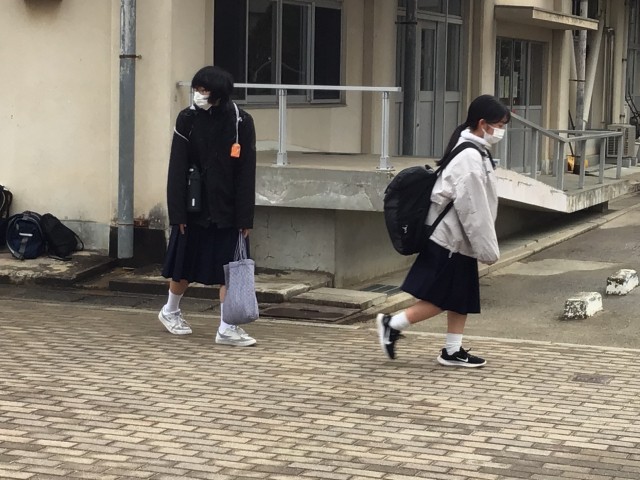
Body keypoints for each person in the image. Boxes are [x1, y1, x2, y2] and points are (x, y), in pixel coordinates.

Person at [377, 94, 510, 367]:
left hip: (456, 240)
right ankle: (392, 324)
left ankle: (452, 350)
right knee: (442, 297)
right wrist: (488, 249)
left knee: (461, 297)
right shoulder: (470, 157)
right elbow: (473, 210)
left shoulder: (472, 149)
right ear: (482, 123)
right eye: (499, 125)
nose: (501, 131)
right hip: (451, 241)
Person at [158, 65, 258, 347]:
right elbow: (177, 167)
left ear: (219, 94)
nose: (199, 94)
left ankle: (227, 327)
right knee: (184, 265)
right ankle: (170, 311)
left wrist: (245, 218)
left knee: (232, 269)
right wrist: (177, 213)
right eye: (197, 89)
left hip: (228, 210)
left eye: (205, 90)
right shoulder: (187, 119)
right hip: (193, 208)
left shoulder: (241, 121)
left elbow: (246, 172)